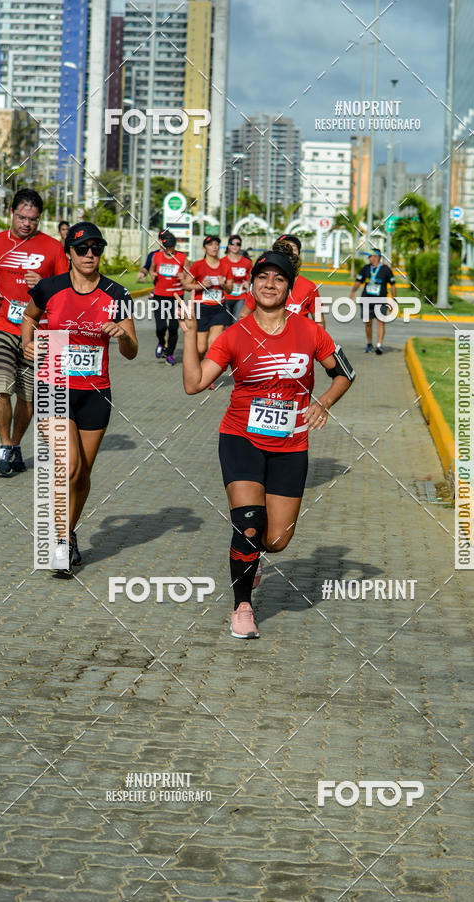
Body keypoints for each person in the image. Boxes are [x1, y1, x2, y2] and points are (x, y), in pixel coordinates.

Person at [180, 245, 355, 639]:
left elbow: (345, 372)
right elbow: (194, 384)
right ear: (252, 286)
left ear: (289, 288)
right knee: (248, 522)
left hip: (291, 445)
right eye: (263, 277)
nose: (270, 284)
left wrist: (323, 402)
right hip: (240, 437)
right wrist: (190, 336)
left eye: (278, 278)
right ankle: (242, 607)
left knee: (275, 539)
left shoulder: (310, 331)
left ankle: (255, 556)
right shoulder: (235, 334)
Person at [21, 222, 138, 578]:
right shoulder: (49, 288)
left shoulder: (116, 294)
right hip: (54, 384)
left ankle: (68, 534)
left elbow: (132, 352)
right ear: (69, 252)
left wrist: (121, 336)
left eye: (96, 248)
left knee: (83, 474)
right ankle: (58, 541)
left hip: (96, 392)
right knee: (68, 466)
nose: (90, 254)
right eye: (82, 248)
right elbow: (29, 316)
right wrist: (27, 343)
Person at [0, 188, 68, 477]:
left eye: (33, 220)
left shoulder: (52, 247)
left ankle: (16, 445)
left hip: (37, 330)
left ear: (39, 219)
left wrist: (46, 282)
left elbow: (65, 286)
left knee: (27, 395)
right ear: (11, 213)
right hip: (0, 324)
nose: (26, 224)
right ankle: (4, 444)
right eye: (22, 217)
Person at [239, 234, 326, 328]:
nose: (287, 253)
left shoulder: (310, 287)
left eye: (293, 248)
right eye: (283, 249)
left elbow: (319, 321)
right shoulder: (262, 286)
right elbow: (243, 316)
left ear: (298, 255)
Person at [184, 235, 233, 366]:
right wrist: (201, 286)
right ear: (205, 247)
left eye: (216, 244)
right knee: (201, 348)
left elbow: (229, 290)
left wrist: (224, 284)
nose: (214, 247)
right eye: (211, 244)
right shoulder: (198, 266)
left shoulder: (226, 265)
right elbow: (186, 285)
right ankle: (198, 368)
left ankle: (208, 375)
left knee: (214, 344)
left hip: (219, 308)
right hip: (202, 308)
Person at [148, 229, 189, 364]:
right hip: (159, 296)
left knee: (173, 327)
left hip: (176, 297)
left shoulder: (182, 258)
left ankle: (170, 354)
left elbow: (190, 275)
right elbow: (152, 269)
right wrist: (152, 274)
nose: (169, 250)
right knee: (160, 327)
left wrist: (184, 276)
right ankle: (161, 342)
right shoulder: (157, 256)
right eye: (166, 248)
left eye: (171, 247)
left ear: (175, 246)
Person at [349, 247, 396, 355]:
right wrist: (353, 292)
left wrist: (394, 299)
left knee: (381, 322)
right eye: (369, 256)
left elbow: (393, 285)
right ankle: (369, 344)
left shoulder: (386, 269)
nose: (369, 258)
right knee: (368, 323)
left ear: (377, 257)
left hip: (381, 299)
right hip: (366, 299)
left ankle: (379, 345)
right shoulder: (365, 268)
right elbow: (358, 281)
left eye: (371, 256)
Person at [222, 234, 252, 322]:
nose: (235, 246)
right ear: (228, 246)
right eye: (232, 243)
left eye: (238, 244)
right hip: (225, 297)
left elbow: (253, 277)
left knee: (237, 322)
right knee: (225, 324)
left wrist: (249, 283)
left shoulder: (246, 262)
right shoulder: (222, 261)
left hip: (240, 297)